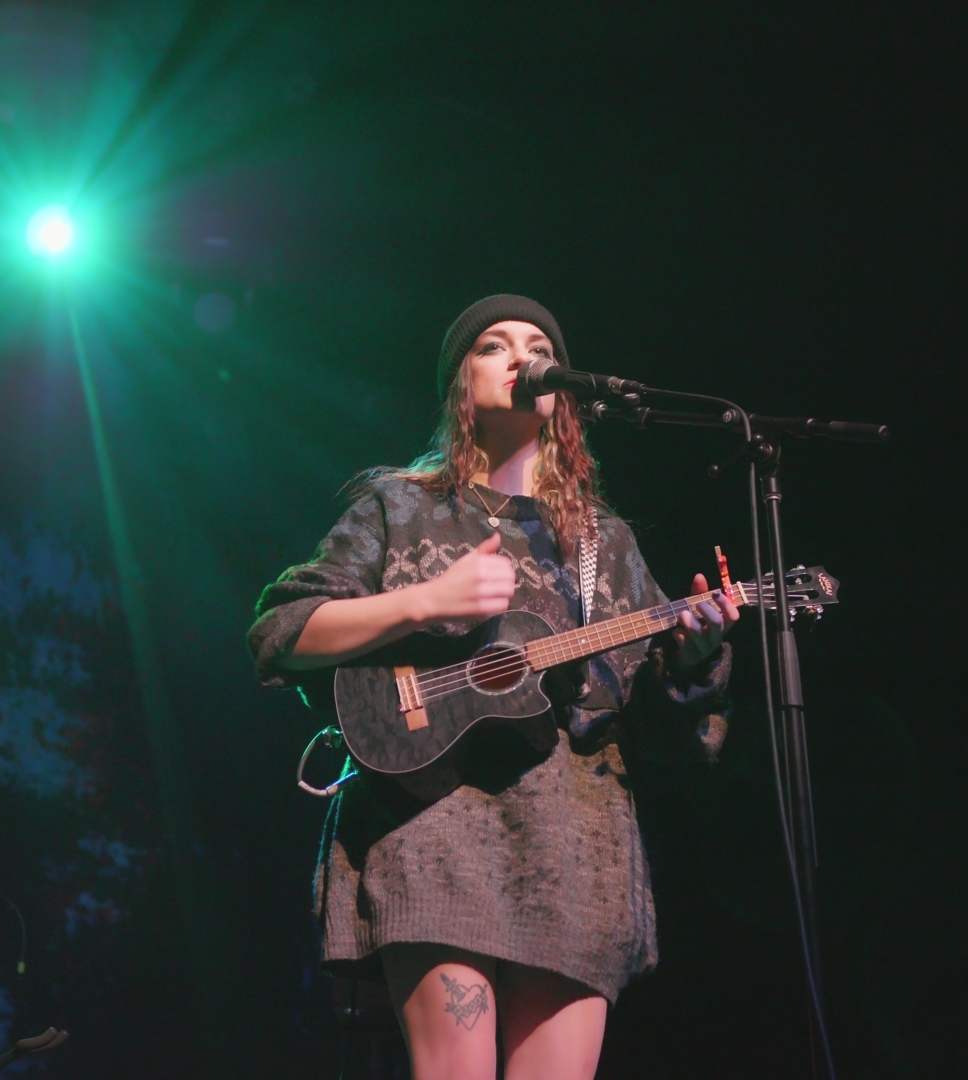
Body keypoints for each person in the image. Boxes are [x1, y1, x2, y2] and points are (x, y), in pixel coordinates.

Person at [248, 295, 739, 1080]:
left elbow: (660, 735)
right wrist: (423, 601)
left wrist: (691, 660)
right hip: (435, 825)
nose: (521, 355)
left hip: (577, 843)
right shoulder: (399, 505)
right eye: (494, 344)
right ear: (459, 382)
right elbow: (282, 633)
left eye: (539, 344)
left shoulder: (606, 543)